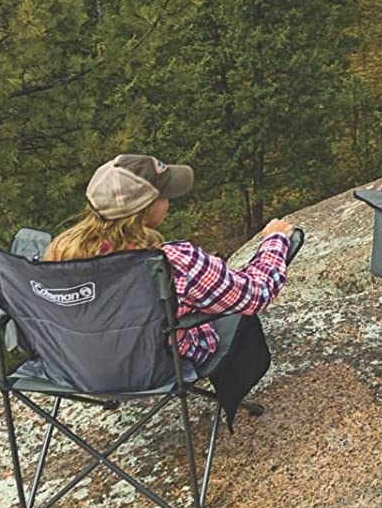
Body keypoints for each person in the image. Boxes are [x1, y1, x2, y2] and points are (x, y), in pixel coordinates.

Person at [46, 154, 296, 369]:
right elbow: (256, 294)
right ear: (147, 207)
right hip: (157, 364)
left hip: (79, 366)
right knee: (226, 313)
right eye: (164, 195)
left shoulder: (60, 253)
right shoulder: (173, 262)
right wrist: (274, 241)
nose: (169, 201)